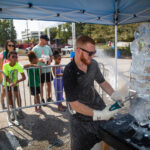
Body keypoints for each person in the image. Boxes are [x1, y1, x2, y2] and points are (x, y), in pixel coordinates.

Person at [63, 35, 125, 150]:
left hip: (96, 105)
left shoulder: (93, 65)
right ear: (78, 50)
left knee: (108, 138)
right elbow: (74, 104)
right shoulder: (69, 72)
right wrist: (99, 115)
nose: (93, 56)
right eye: (90, 53)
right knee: (82, 146)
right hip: (79, 118)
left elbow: (103, 83)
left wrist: (114, 94)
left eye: (94, 52)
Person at [3, 51, 26, 122]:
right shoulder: (5, 65)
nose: (15, 58)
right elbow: (6, 76)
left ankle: (20, 110)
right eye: (13, 57)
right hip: (7, 84)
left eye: (16, 57)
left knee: (18, 96)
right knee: (9, 97)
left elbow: (24, 77)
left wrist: (16, 82)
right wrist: (10, 83)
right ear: (9, 58)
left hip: (15, 84)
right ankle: (12, 111)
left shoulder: (18, 65)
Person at [32, 34, 53, 105]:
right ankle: (42, 99)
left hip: (48, 69)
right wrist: (39, 60)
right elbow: (32, 59)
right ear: (41, 39)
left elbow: (51, 56)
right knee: (41, 85)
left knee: (49, 84)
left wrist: (50, 60)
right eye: (46, 40)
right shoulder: (35, 49)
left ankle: (48, 97)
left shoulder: (48, 47)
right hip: (40, 70)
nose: (47, 41)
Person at [0, 40, 16, 109]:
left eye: (12, 45)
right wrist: (1, 77)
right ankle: (2, 101)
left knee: (13, 92)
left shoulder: (15, 54)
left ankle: (12, 106)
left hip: (13, 77)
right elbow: (0, 66)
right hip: (5, 77)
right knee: (4, 92)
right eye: (9, 45)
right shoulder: (2, 54)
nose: (11, 47)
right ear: (6, 46)